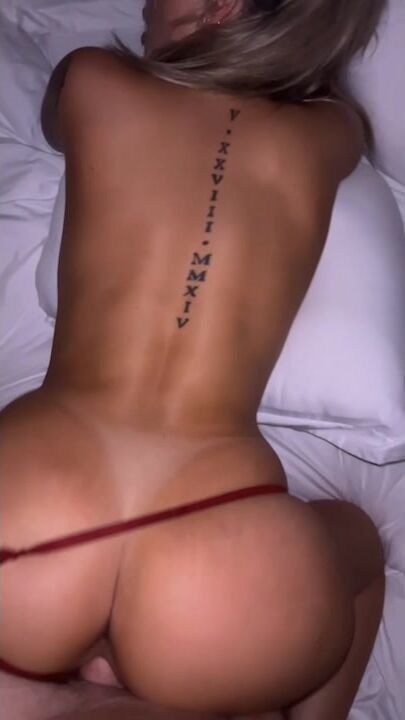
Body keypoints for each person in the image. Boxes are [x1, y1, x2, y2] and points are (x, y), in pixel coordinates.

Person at [0, 1, 386, 718]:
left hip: (29, 511)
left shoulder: (90, 78)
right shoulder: (332, 131)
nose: (146, 2)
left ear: (223, 4)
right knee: (359, 542)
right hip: (224, 547)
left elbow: (57, 128)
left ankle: (58, 693)